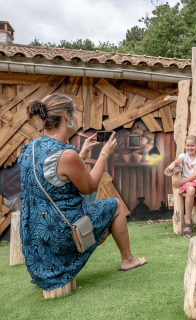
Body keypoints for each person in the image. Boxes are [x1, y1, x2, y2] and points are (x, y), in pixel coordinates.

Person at [19, 93, 147, 292]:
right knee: (116, 205)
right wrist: (104, 154)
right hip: (61, 233)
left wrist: (82, 154)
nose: (77, 119)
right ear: (67, 118)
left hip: (35, 239)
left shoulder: (29, 148)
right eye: (75, 114)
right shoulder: (66, 154)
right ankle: (128, 259)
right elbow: (89, 187)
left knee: (97, 213)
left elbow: (55, 177)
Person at [166, 135, 196, 237]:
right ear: (185, 146)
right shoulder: (183, 156)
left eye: (192, 145)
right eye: (187, 145)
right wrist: (173, 164)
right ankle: (187, 220)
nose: (190, 148)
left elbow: (195, 175)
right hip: (188, 183)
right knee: (190, 190)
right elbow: (178, 161)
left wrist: (181, 181)